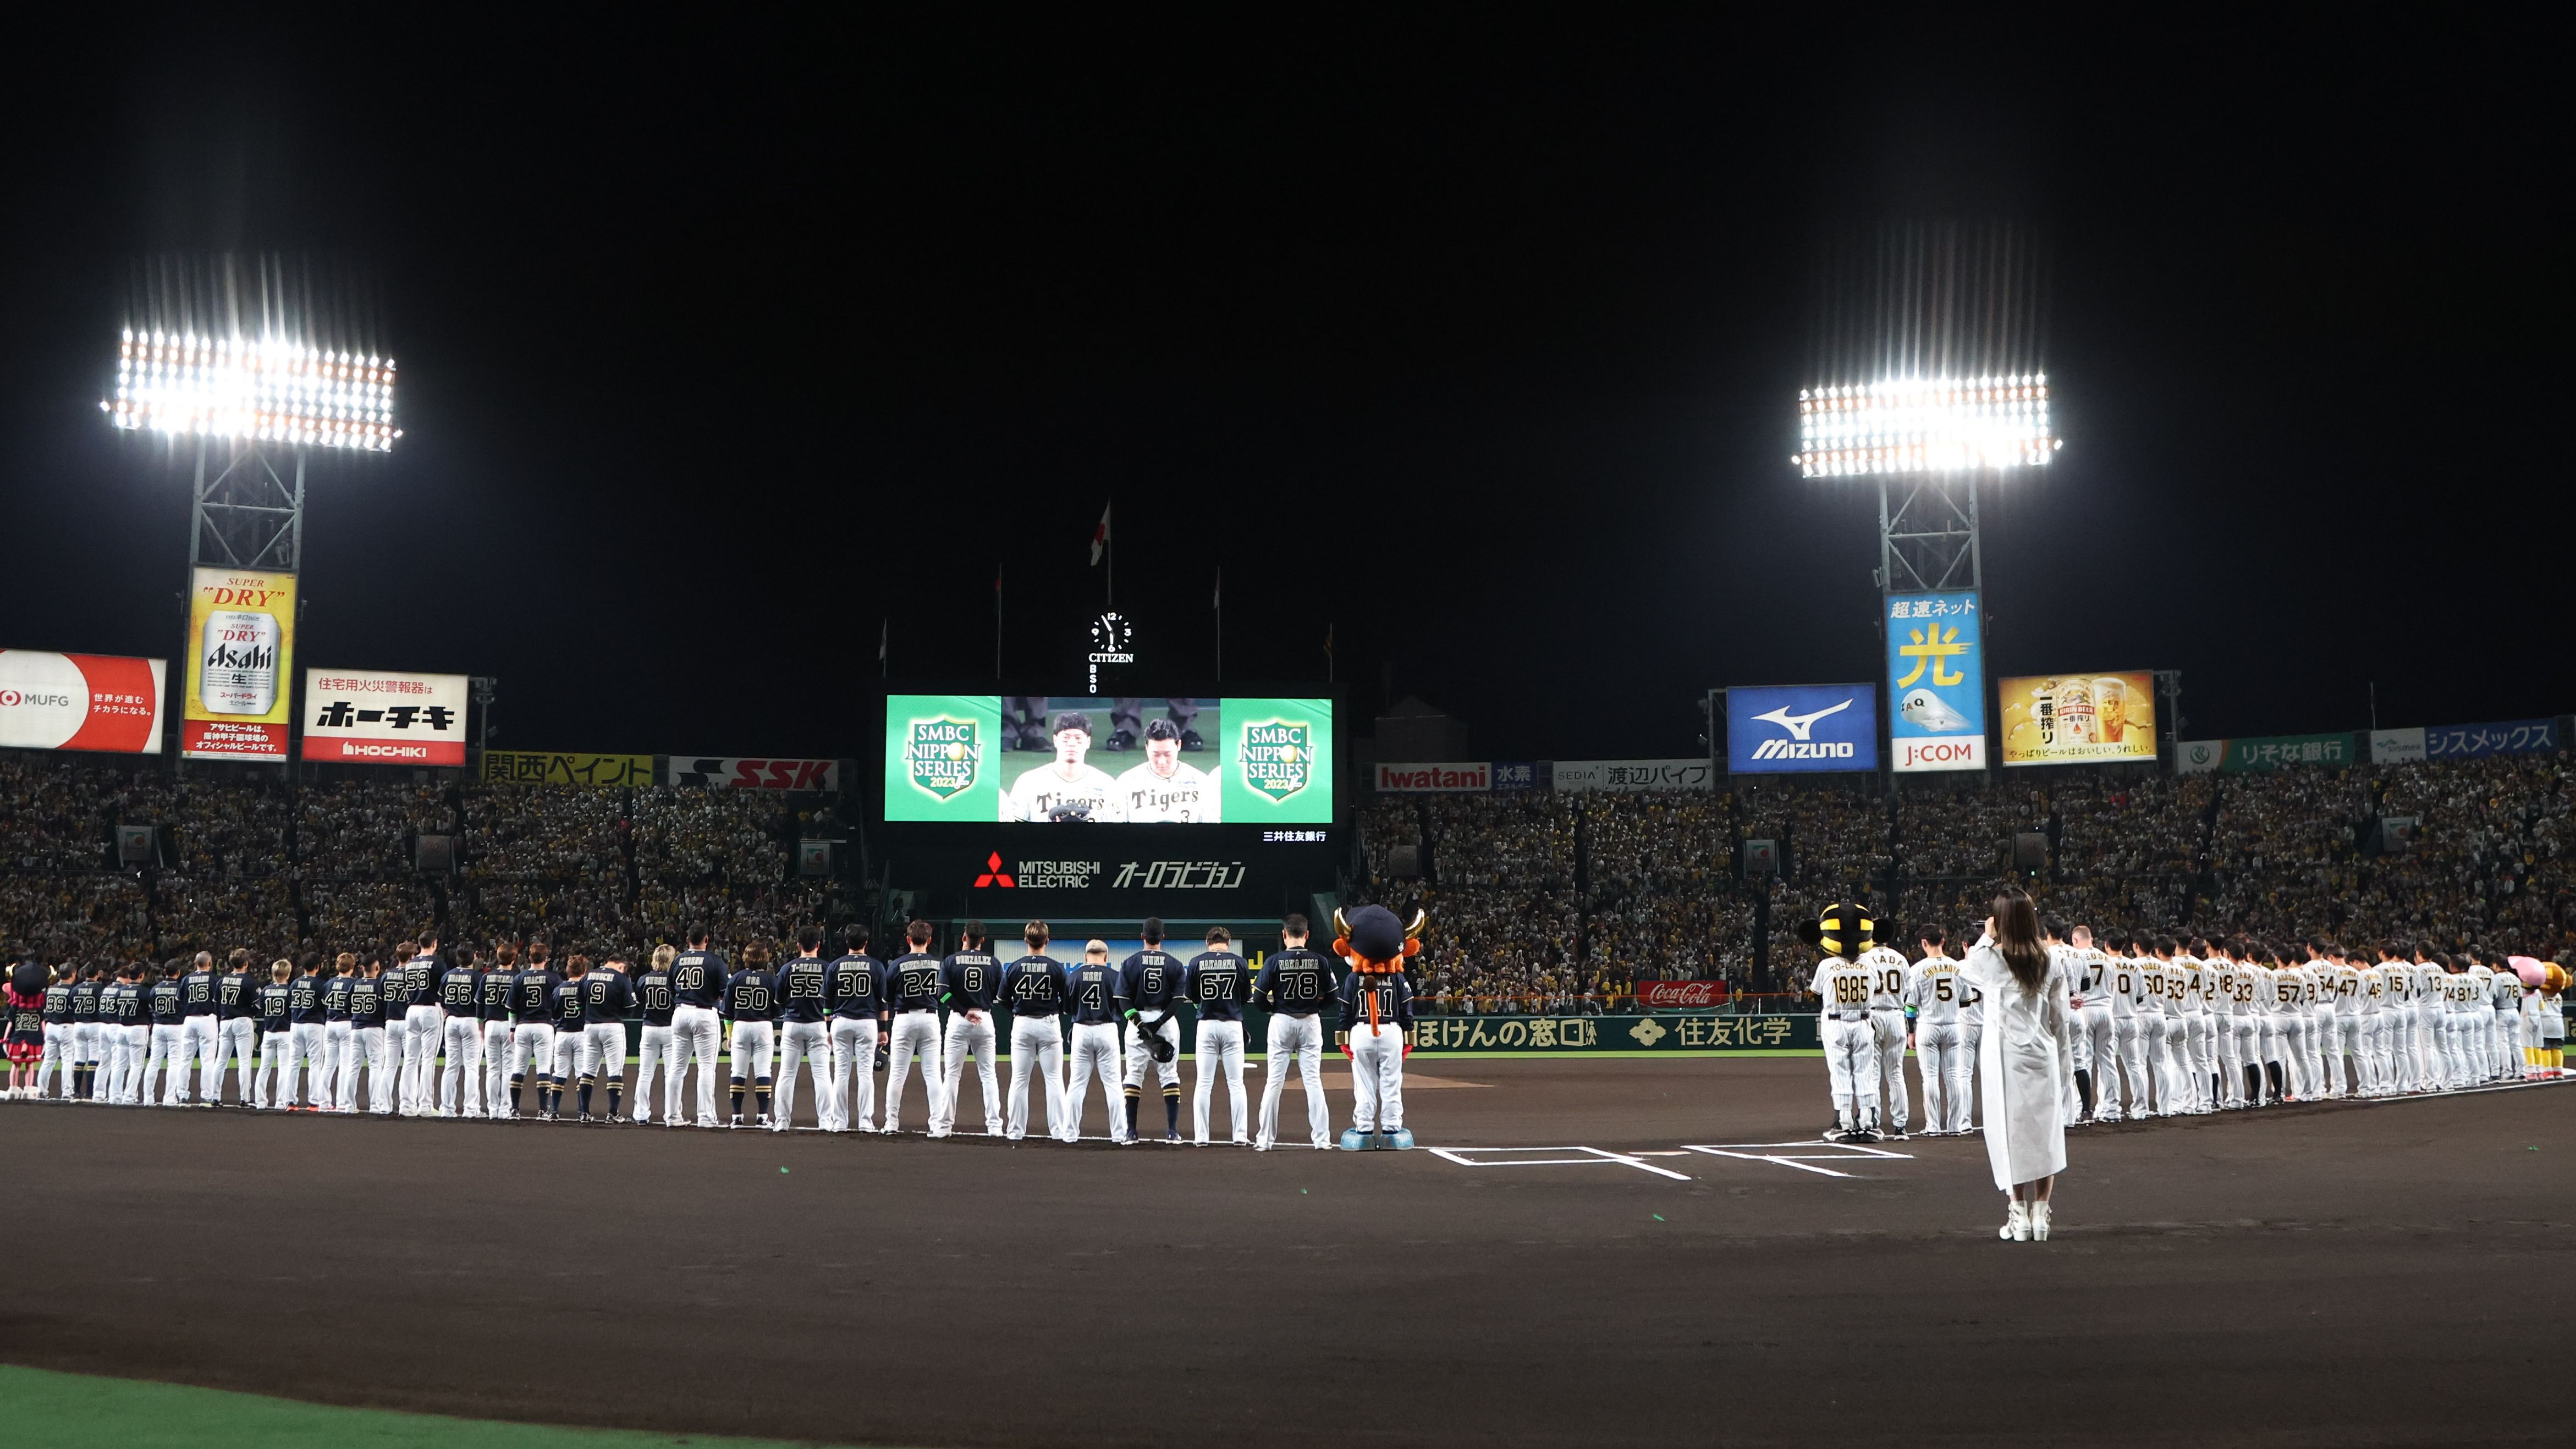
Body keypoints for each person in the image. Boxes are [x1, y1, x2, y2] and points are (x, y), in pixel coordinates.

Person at [1960, 888, 2073, 1243]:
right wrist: (2065, 1066)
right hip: (2043, 1054)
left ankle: (2017, 1213)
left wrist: (1985, 936)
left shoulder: (1991, 960)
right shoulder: (2050, 959)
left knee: (2008, 1133)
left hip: (2005, 1058)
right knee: (2046, 1134)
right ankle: (2042, 1213)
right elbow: (2060, 1019)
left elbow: (1966, 971)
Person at [1333, 906, 1416, 1149]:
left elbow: (1344, 1012)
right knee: (1391, 1081)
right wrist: (1409, 1038)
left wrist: (1343, 1040)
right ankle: (1391, 1129)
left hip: (1361, 1032)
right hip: (1392, 1032)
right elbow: (1407, 1010)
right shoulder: (1397, 978)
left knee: (1364, 1082)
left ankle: (1364, 1129)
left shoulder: (1352, 978)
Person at [1252, 914, 1335, 1152]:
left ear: (1284, 934)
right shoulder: (1320, 961)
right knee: (1313, 1081)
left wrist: (1274, 1011)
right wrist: (1314, 1008)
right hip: (1310, 1021)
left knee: (1274, 1082)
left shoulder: (1274, 961)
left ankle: (1265, 1141)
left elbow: (1258, 998)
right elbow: (1331, 996)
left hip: (1282, 1021)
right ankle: (1322, 1140)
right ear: (1307, 935)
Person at [1805, 904, 1879, 1143]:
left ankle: (1844, 1123)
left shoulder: (1826, 965)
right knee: (1865, 1072)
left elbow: (1815, 994)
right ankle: (1868, 1121)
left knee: (1840, 1073)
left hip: (1836, 1022)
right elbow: (1877, 988)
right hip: (1864, 1021)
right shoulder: (1869, 963)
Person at [932, 921, 1004, 1138]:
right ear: (983, 939)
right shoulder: (994, 962)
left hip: (959, 1019)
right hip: (984, 1018)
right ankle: (995, 1127)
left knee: (952, 1075)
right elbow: (1001, 994)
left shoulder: (951, 961)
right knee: (989, 1075)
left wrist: (964, 1011)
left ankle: (944, 1127)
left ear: (964, 937)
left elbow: (942, 994)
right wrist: (984, 1003)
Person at [1001, 922, 1070, 1143]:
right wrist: (1055, 1010)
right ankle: (1058, 1131)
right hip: (1049, 1023)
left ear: (1026, 941)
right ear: (1047, 941)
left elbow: (1003, 999)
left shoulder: (1014, 967)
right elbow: (1067, 1002)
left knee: (1019, 1080)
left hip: (1022, 1023)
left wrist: (1016, 1010)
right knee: (1054, 1080)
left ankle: (1015, 1131)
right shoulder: (1056, 967)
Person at [1119, 919, 1186, 1142]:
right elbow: (1177, 1001)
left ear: (1143, 937)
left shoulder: (1130, 963)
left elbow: (1123, 1001)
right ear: (1163, 937)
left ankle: (1131, 1132)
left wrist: (1139, 1024)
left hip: (1137, 1022)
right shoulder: (1175, 964)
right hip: (1165, 1021)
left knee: (1134, 1075)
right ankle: (1172, 1131)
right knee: (1169, 1074)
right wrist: (1157, 1024)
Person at [1184, 927, 1250, 1146]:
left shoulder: (1196, 962)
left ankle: (1201, 1137)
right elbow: (1245, 997)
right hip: (1232, 1024)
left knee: (1203, 1083)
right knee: (1236, 1084)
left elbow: (1192, 996)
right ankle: (1240, 1136)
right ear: (1228, 942)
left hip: (1207, 1024)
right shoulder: (1240, 963)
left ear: (1207, 942)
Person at [1000, 711, 1125, 822]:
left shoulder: (1106, 785)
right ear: (1055, 740)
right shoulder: (1029, 782)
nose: (1072, 744)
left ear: (1088, 742)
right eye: (1065, 738)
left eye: (1078, 739)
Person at [879, 922, 945, 1133]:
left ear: (908, 939)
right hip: (930, 1018)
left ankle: (891, 1123)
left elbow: (887, 998)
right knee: (933, 1074)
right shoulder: (939, 964)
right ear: (929, 940)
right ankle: (937, 1124)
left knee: (897, 1074)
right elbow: (944, 995)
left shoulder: (897, 964)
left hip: (904, 1018)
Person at [1065, 940, 1132, 1143]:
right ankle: (1119, 1135)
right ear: (1106, 957)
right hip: (1107, 1029)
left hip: (1081, 1030)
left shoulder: (1074, 976)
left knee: (1076, 1084)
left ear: (1086, 957)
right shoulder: (1115, 976)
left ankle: (1069, 1134)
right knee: (1113, 1085)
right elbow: (1122, 1006)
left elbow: (1068, 1009)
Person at [824, 925, 885, 1134]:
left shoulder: (835, 966)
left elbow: (827, 1002)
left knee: (841, 1073)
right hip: (867, 1022)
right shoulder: (876, 966)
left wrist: (828, 1028)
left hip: (840, 1021)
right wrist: (883, 1029)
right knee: (866, 1074)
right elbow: (882, 1003)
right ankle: (865, 1122)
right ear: (866, 943)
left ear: (847, 942)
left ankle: (840, 1122)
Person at [773, 928, 833, 1133]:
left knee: (787, 1075)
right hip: (818, 1025)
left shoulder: (787, 968)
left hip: (792, 1024)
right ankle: (825, 1121)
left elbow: (779, 1001)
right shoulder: (828, 968)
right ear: (818, 945)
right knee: (822, 1075)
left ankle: (781, 1121)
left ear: (798, 945)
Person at [1906, 928, 1964, 1136]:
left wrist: (1911, 1032)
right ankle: (1955, 1126)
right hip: (1953, 1025)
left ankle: (1933, 1126)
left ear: (1924, 943)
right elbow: (1965, 1001)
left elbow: (1911, 1007)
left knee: (1930, 1078)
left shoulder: (1918, 969)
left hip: (1928, 1026)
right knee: (1954, 1077)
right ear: (1943, 941)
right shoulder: (1957, 967)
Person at [669, 928, 728, 1128]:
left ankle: (672, 1116)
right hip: (704, 1013)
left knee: (676, 1068)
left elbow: (671, 989)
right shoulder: (714, 961)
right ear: (706, 939)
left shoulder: (677, 960)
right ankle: (705, 1117)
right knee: (706, 1068)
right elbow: (723, 991)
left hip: (680, 1012)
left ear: (688, 940)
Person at [1857, 929, 1912, 1139]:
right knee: (1896, 1073)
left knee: (1873, 1074)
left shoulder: (1865, 958)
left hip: (1873, 1017)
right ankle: (1901, 1127)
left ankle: (1873, 1122)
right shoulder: (1900, 959)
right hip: (1897, 1017)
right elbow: (1909, 989)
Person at [1115, 718, 1220, 823]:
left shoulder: (1200, 781)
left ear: (1179, 745)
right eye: (1155, 754)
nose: (1162, 761)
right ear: (1146, 747)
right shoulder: (1127, 782)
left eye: (1167, 754)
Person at [723, 943, 779, 1128]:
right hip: (763, 1025)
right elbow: (778, 1010)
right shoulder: (771, 980)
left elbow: (728, 1014)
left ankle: (737, 1117)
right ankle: (762, 1116)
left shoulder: (736, 979)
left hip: (740, 1026)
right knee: (763, 1073)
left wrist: (729, 1036)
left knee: (738, 1073)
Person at [507, 940, 562, 1120]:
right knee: (544, 1069)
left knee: (518, 1068)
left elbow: (512, 1009)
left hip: (523, 1026)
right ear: (546, 959)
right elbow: (560, 1004)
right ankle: (543, 1110)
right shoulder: (553, 978)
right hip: (544, 1026)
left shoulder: (519, 978)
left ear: (529, 958)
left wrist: (513, 1029)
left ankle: (514, 1109)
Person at [582, 950, 636, 1123]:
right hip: (612, 1026)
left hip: (590, 1026)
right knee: (615, 1071)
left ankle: (584, 1113)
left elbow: (579, 1004)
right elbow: (630, 1008)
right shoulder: (621, 979)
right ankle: (612, 1113)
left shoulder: (588, 975)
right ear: (621, 966)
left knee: (588, 1072)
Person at [629, 945, 678, 1125]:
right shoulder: (675, 979)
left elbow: (639, 1002)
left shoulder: (644, 979)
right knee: (672, 1074)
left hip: (649, 1028)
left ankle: (640, 1114)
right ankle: (672, 1114)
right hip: (670, 1029)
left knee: (645, 1073)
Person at [436, 943, 486, 1118]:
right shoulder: (478, 977)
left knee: (451, 1066)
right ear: (473, 957)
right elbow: (482, 1004)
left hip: (451, 1021)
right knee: (472, 1068)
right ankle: (471, 1110)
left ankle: (447, 1109)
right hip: (471, 1022)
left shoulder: (447, 976)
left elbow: (442, 1003)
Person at [398, 933, 445, 1117]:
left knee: (410, 1060)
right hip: (430, 1009)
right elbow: (444, 988)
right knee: (428, 1060)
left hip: (411, 1010)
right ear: (435, 943)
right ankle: (425, 1105)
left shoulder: (409, 964)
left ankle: (406, 1105)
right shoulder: (437, 963)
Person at [210, 946, 263, 1108]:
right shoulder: (250, 982)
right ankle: (244, 1098)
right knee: (244, 1062)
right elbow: (258, 1006)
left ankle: (215, 1097)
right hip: (242, 1020)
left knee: (221, 1061)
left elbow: (216, 1005)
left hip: (225, 1021)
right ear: (246, 964)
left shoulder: (222, 981)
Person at [543, 954, 594, 1121]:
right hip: (581, 1034)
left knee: (560, 1074)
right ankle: (583, 1113)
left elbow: (554, 1013)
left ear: (567, 970)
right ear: (585, 971)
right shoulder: (587, 987)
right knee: (582, 1075)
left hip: (563, 1034)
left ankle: (554, 1112)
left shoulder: (558, 989)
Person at [344, 956, 394, 1116]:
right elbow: (385, 1008)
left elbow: (347, 1008)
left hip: (356, 1028)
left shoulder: (355, 985)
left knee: (353, 1068)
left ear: (361, 968)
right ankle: (375, 1105)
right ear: (377, 968)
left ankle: (349, 1106)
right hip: (374, 1029)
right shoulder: (379, 985)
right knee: (375, 1068)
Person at [477, 943, 520, 1120]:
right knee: (508, 1068)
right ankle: (505, 1109)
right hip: (508, 1025)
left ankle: (493, 1109)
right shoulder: (517, 977)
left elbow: (479, 1005)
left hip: (491, 1024)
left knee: (493, 1069)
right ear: (514, 959)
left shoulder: (487, 977)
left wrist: (481, 1028)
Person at [172, 950, 219, 1105]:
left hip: (189, 1020)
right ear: (210, 964)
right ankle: (206, 1097)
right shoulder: (214, 980)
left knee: (185, 1060)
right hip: (207, 1020)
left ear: (195, 963)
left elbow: (179, 1001)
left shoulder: (186, 979)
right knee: (207, 1061)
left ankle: (182, 1096)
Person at [286, 954, 328, 1112]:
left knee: (294, 1064)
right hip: (314, 1025)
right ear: (317, 967)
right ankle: (314, 1102)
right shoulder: (320, 985)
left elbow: (289, 1003)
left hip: (296, 1025)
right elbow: (326, 1006)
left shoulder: (295, 983)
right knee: (315, 1064)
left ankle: (290, 1101)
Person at [251, 960, 293, 1109]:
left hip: (268, 1032)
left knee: (264, 1068)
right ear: (288, 975)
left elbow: (259, 1008)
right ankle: (281, 1102)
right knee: (284, 1068)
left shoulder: (266, 990)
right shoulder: (290, 991)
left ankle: (261, 1102)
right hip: (285, 1033)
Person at [106, 963, 150, 1105]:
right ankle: (129, 1097)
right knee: (136, 1065)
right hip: (138, 1029)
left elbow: (116, 1008)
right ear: (142, 975)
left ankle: (114, 1097)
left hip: (122, 1029)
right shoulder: (145, 992)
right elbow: (150, 1011)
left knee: (119, 1064)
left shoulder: (120, 991)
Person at [145, 960, 187, 1105]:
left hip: (158, 1026)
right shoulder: (181, 987)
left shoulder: (156, 988)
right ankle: (169, 1098)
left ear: (164, 971)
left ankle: (148, 1098)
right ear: (178, 973)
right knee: (174, 1062)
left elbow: (151, 1007)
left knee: (154, 1061)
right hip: (176, 1026)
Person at [320, 954, 356, 1112]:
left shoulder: (329, 983)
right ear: (352, 967)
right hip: (346, 1023)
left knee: (328, 1065)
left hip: (330, 1023)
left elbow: (323, 1004)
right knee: (345, 1066)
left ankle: (323, 1102)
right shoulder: (354, 983)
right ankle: (342, 1102)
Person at [37, 965, 75, 1100]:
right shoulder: (72, 990)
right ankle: (67, 1092)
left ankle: (42, 1091)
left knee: (48, 1061)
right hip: (66, 1027)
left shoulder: (50, 989)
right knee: (67, 1060)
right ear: (73, 974)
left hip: (50, 1026)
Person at [69, 965, 104, 1102]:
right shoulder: (100, 988)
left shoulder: (76, 988)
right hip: (95, 1024)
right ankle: (89, 1094)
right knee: (93, 1059)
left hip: (78, 1025)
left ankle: (76, 1092)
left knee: (79, 1059)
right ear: (97, 975)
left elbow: (71, 1006)